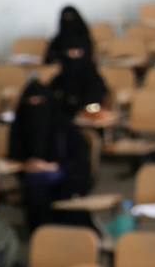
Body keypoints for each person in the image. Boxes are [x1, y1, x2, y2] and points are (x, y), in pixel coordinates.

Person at [7, 77, 94, 230]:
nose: (35, 107)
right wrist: (27, 165)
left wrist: (52, 166)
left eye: (39, 101)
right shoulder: (20, 126)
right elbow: (15, 154)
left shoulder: (63, 125)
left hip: (65, 176)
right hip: (33, 177)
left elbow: (80, 158)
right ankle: (41, 234)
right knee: (35, 190)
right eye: (31, 102)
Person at [49, 38, 107, 115]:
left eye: (78, 53)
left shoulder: (93, 77)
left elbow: (96, 97)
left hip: (87, 114)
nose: (75, 56)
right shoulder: (61, 77)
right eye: (71, 53)